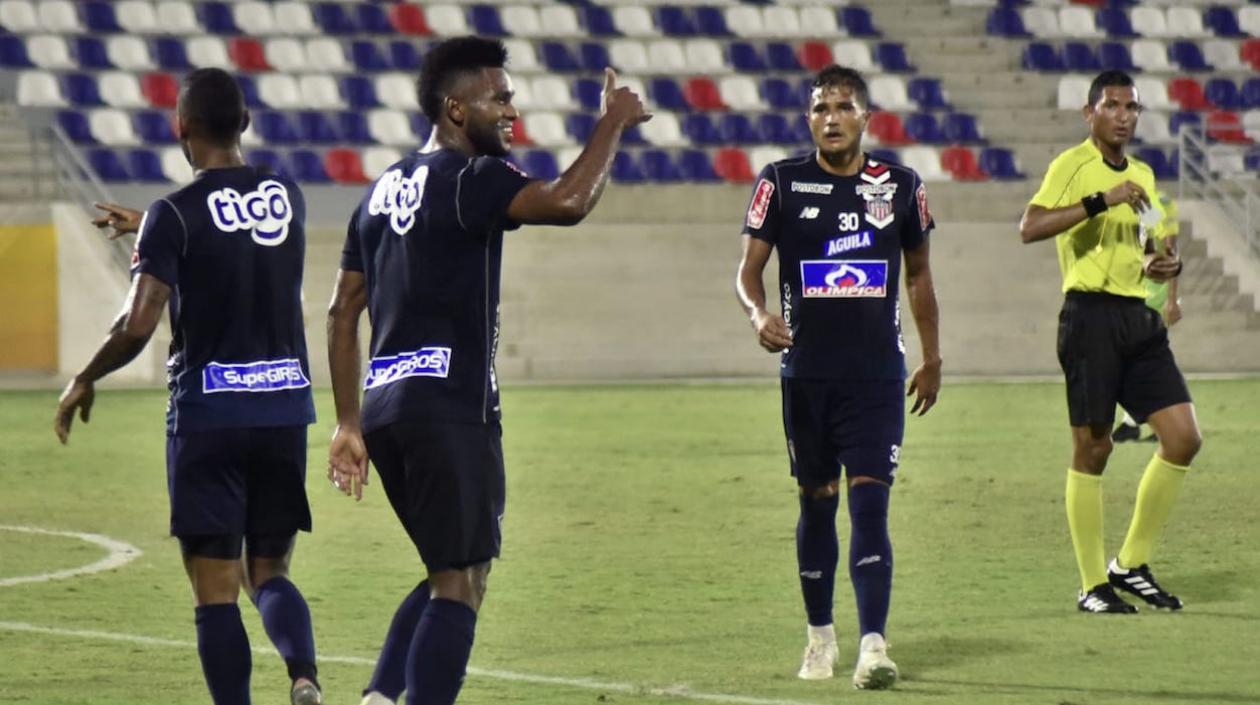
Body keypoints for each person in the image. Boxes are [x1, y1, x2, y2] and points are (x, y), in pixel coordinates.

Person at [325, 36, 650, 705]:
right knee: (461, 580)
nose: (512, 108)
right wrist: (613, 119)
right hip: (450, 406)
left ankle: (380, 696)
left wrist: (348, 422)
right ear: (454, 108)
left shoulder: (380, 192)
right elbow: (567, 200)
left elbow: (340, 311)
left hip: (387, 410)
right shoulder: (471, 178)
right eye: (498, 97)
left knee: (450, 566)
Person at [54, 68, 324, 705]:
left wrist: (84, 375)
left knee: (215, 588)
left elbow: (138, 323)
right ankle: (305, 677)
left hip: (209, 417)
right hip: (284, 409)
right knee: (270, 571)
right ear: (246, 123)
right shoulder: (288, 196)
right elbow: (233, 226)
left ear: (181, 128)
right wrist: (155, 225)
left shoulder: (173, 216)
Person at [734, 64, 941, 690]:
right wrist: (757, 313)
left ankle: (873, 646)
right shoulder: (781, 182)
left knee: (871, 506)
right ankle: (820, 637)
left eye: (843, 107)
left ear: (865, 118)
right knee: (818, 504)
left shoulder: (902, 186)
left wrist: (932, 356)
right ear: (809, 120)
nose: (831, 118)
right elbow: (747, 269)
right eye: (821, 108)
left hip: (878, 377)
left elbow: (919, 276)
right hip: (808, 378)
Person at [1019, 70, 1201, 614]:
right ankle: (1093, 583)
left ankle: (1131, 563)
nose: (1123, 115)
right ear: (1090, 113)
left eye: (1132, 107)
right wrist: (1101, 199)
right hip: (1090, 316)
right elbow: (1029, 226)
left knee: (1184, 438)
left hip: (1137, 321)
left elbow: (1155, 240)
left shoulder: (1143, 174)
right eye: (1113, 105)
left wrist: (1167, 262)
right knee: (1094, 448)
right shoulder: (1073, 166)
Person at [1113, 193, 1182, 443]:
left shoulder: (1156, 204)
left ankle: (1143, 422)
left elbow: (1170, 250)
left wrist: (1172, 299)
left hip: (1154, 296)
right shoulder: (1131, 205)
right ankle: (1135, 422)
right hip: (1136, 293)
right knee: (1132, 360)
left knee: (1143, 360)